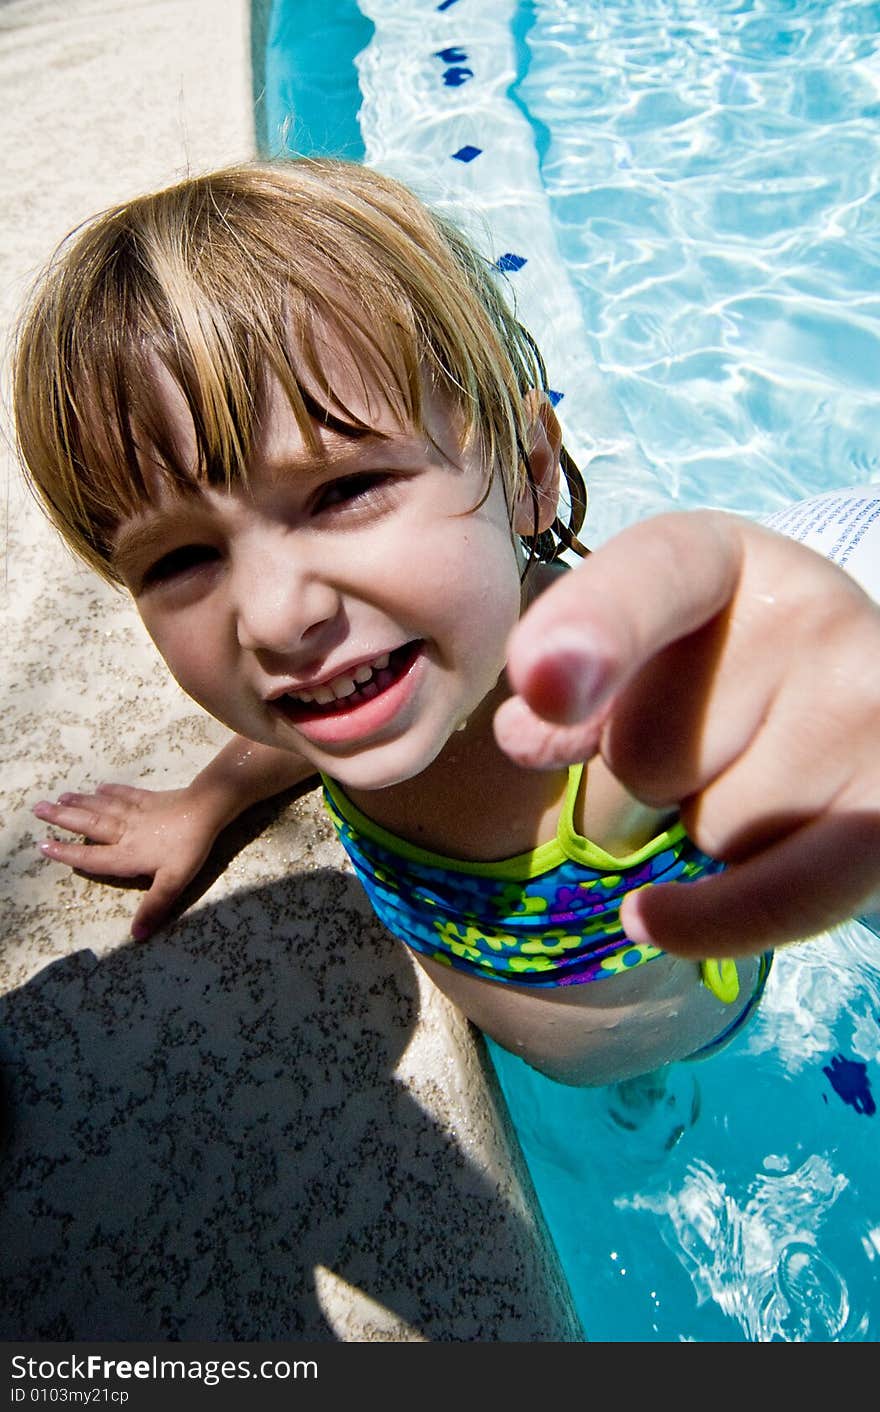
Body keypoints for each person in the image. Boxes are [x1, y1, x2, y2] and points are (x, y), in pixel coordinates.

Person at [14, 159, 880, 1088]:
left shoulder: (617, 724)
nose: (275, 618)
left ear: (526, 471)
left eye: (344, 491)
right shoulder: (363, 673)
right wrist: (211, 800)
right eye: (182, 559)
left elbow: (780, 697)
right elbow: (302, 737)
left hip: (710, 1040)